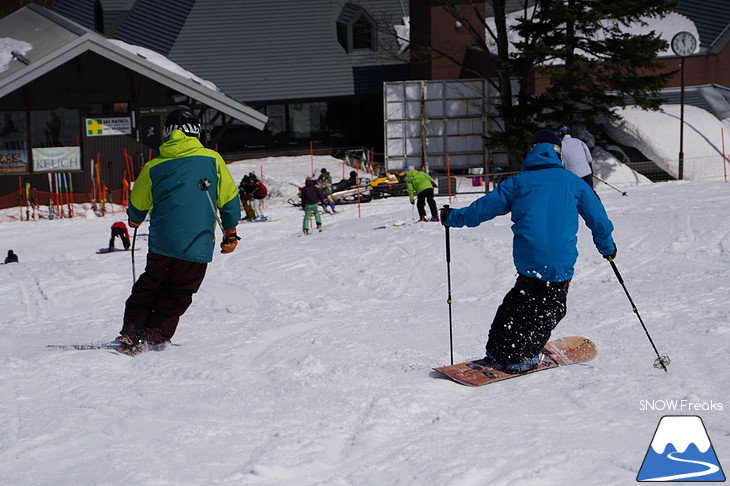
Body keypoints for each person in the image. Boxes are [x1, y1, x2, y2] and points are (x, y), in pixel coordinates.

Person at [441, 129, 616, 373]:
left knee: (519, 302)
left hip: (528, 260)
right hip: (557, 263)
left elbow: (481, 209)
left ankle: (498, 349)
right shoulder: (573, 182)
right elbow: (598, 219)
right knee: (549, 308)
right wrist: (607, 248)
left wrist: (453, 217)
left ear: (531, 151)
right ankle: (523, 355)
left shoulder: (517, 182)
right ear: (558, 153)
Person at [116, 107, 241, 354]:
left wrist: (135, 219)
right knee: (179, 290)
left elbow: (138, 201)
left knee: (151, 283)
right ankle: (154, 335)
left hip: (163, 241)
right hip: (196, 242)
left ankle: (131, 331)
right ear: (196, 132)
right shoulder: (212, 159)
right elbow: (228, 199)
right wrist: (230, 231)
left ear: (167, 134)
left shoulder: (154, 165)